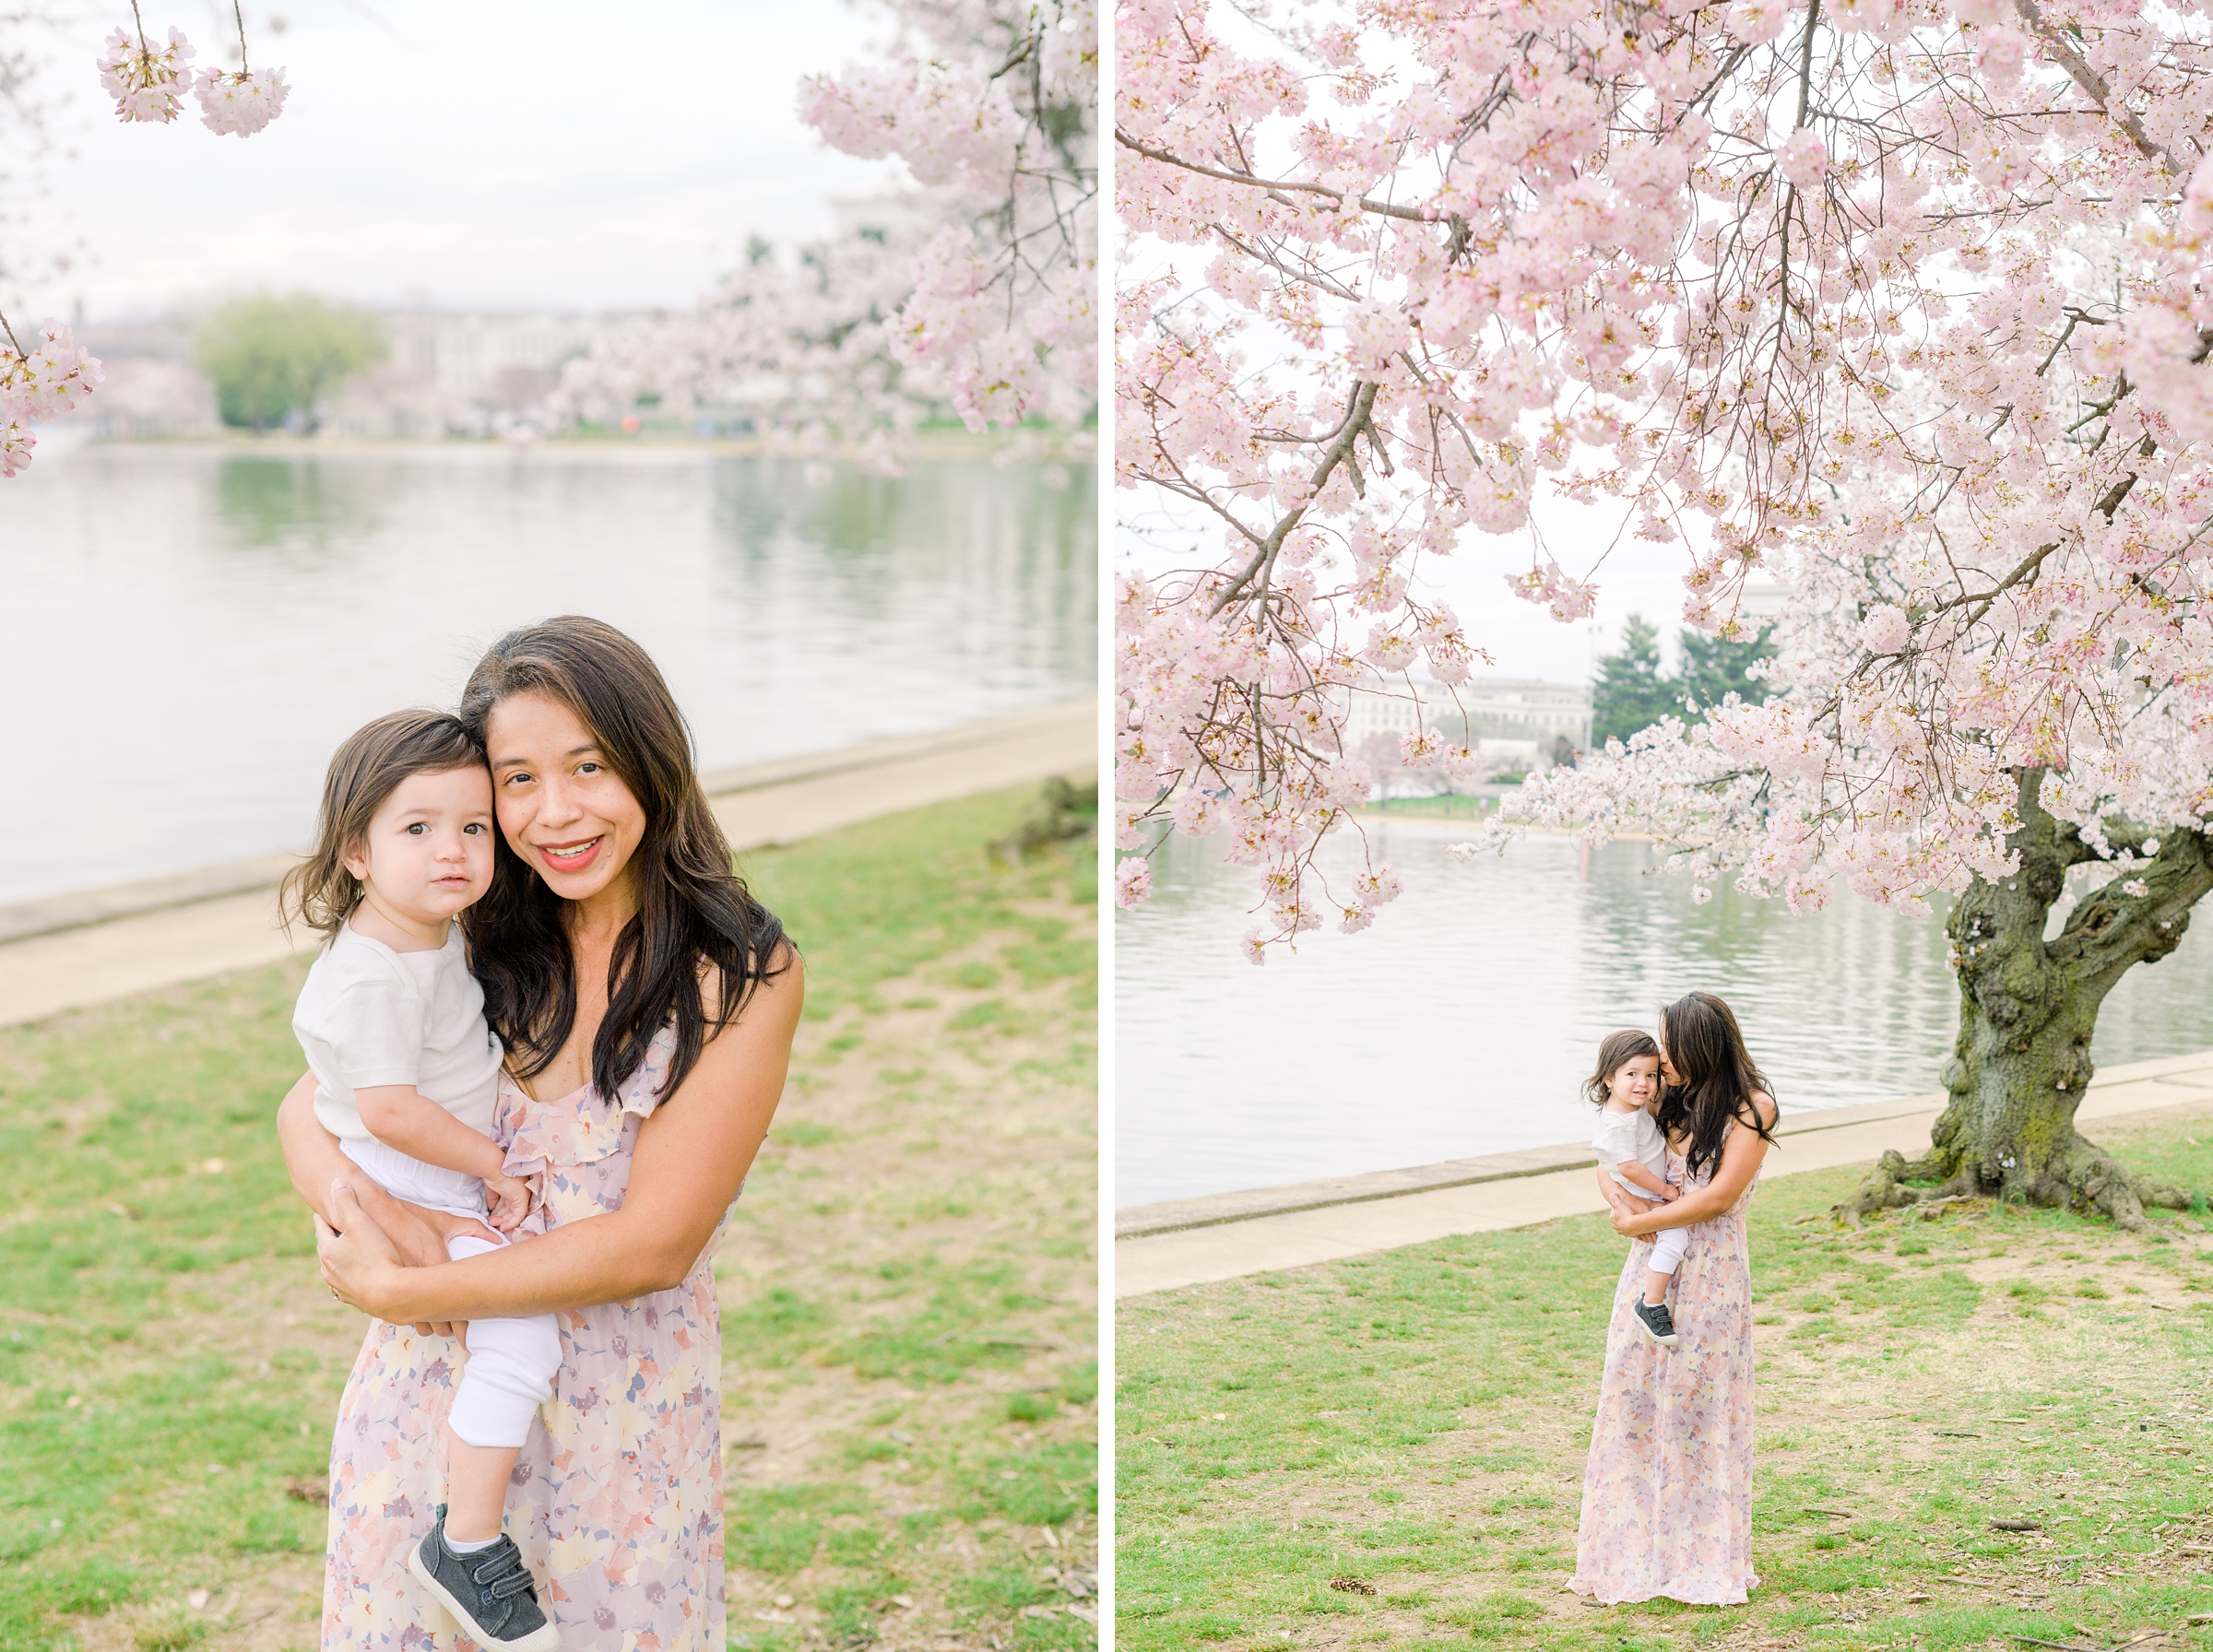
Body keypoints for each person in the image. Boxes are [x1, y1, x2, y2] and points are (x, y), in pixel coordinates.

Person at [278, 616, 803, 1652]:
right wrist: (356, 1210)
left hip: (627, 1424)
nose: (554, 812)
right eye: (516, 780)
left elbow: (655, 1245)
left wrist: (403, 1286)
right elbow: (308, 1107)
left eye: (589, 766)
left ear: (654, 762)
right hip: (436, 1408)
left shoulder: (736, 972)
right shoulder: (468, 933)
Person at [282, 709, 562, 1651]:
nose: (454, 849)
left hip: (424, 1170)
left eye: (474, 826)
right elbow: (391, 1107)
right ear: (355, 850)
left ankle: (469, 1530)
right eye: (418, 828)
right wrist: (494, 1165)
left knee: (513, 1334)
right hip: (424, 1180)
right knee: (522, 1336)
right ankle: (467, 1541)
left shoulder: (423, 936)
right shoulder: (373, 977)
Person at [1569, 991, 1779, 1607]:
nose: (1658, 1058)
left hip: (1711, 1270)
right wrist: (1617, 1199)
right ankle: (1631, 1551)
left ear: (1697, 1044)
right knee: (1635, 1401)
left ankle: (1696, 1555)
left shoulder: (1750, 1108)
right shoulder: (1667, 1101)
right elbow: (1612, 1152)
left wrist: (1640, 1224)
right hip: (1654, 1262)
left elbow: (1717, 1199)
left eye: (1667, 1044)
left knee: (1698, 1408)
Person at [1583, 1029, 1683, 1346]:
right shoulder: (1618, 1123)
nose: (1644, 1083)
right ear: (1609, 1079)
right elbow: (1627, 1167)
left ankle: (1652, 1299)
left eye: (1651, 1075)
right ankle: (1651, 1302)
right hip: (1648, 1195)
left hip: (1650, 1192)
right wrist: (1666, 1192)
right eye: (1632, 1074)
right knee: (1676, 1236)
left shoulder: (1631, 1112)